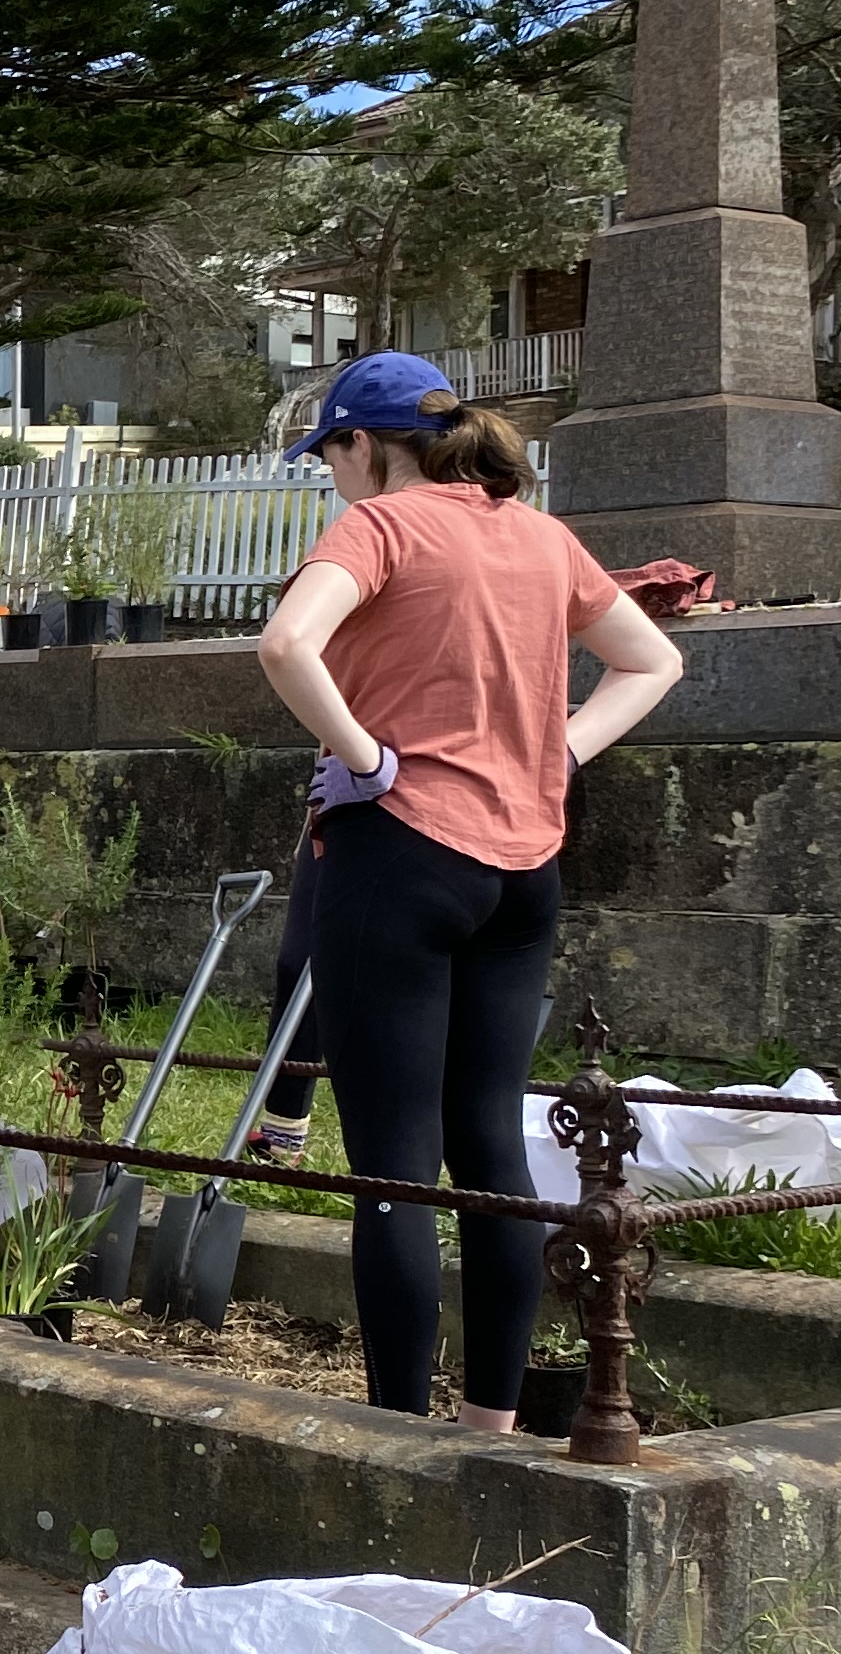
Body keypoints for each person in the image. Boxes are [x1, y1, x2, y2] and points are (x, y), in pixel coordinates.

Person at [255, 351, 684, 1427]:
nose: (333, 478)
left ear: (367, 444)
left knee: (393, 1166)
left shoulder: (383, 527)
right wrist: (563, 752)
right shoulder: (540, 535)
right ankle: (495, 1426)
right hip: (522, 870)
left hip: (398, 857)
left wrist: (360, 753)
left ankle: (402, 1435)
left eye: (333, 456)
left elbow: (286, 643)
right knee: (492, 1148)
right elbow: (652, 661)